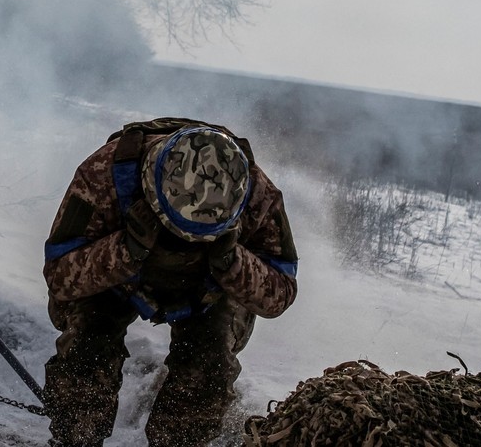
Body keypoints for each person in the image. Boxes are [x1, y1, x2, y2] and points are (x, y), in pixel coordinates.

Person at [42, 117, 299, 447]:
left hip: (209, 290)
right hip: (116, 280)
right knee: (87, 349)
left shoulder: (257, 195)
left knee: (209, 367)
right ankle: (75, 437)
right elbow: (60, 276)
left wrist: (232, 262)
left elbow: (281, 291)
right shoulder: (103, 174)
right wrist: (125, 249)